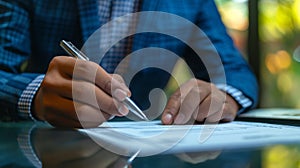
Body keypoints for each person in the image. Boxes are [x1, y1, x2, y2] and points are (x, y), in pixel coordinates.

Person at [0, 0, 258, 128]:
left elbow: (234, 70)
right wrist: (35, 95)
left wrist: (223, 95)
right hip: (50, 146)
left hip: (144, 153)